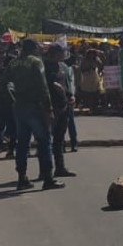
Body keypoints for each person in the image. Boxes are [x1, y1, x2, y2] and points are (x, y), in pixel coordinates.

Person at [6, 39, 64, 191]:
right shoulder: (35, 62)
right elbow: (43, 86)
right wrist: (49, 108)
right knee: (44, 141)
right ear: (33, 49)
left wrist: (12, 99)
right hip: (36, 107)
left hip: (19, 107)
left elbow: (2, 83)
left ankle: (22, 177)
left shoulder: (13, 63)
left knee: (22, 144)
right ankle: (48, 178)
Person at [43, 44, 77, 175]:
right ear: (55, 53)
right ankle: (46, 171)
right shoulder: (44, 67)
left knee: (59, 139)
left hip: (63, 105)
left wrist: (71, 96)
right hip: (51, 107)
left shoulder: (61, 66)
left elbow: (64, 85)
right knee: (47, 140)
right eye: (62, 52)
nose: (64, 54)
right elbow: (46, 84)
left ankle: (60, 167)